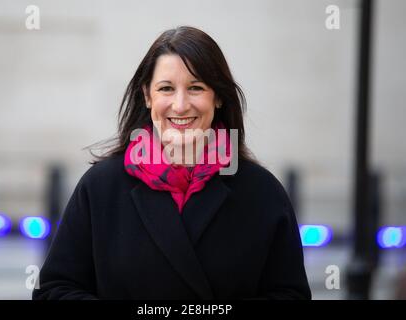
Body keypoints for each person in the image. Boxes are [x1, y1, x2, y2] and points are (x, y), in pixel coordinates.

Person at [32, 26, 311, 300]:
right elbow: (55, 289)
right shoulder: (100, 187)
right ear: (147, 95)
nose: (180, 105)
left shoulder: (262, 192)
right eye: (166, 88)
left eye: (196, 87)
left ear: (218, 98)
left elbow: (290, 294)